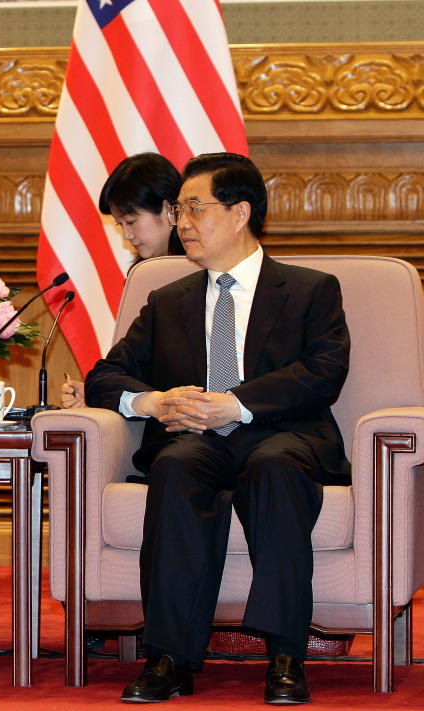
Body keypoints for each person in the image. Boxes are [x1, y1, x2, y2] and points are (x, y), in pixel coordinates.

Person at [84, 153, 350, 704]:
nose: (180, 222)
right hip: (196, 441)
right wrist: (152, 403)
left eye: (193, 208)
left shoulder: (310, 290)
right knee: (175, 466)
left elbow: (323, 373)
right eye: (178, 211)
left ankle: (284, 656)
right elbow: (104, 376)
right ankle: (169, 658)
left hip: (284, 435)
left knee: (274, 468)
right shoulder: (167, 300)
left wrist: (238, 404)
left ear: (240, 212)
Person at [62, 152, 184, 409]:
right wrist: (98, 392)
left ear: (167, 209)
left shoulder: (201, 270)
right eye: (120, 224)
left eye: (131, 221)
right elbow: (135, 363)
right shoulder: (142, 274)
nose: (127, 235)